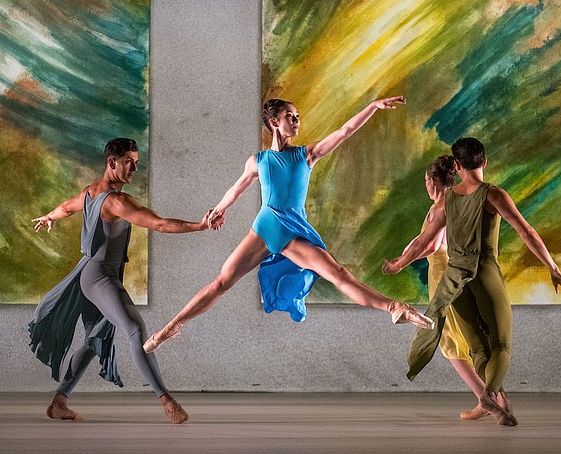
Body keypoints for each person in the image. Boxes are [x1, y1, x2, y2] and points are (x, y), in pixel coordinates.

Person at [143, 97, 434, 353]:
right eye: (290, 116)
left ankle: (395, 308)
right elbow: (236, 188)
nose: (296, 121)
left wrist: (372, 106)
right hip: (265, 226)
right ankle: (172, 326)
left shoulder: (306, 154)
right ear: (274, 122)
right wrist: (218, 210)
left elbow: (344, 132)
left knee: (338, 274)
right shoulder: (258, 160)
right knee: (220, 283)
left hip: (291, 230)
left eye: (297, 117)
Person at [382, 137, 561, 426]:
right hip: (484, 272)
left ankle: (498, 402)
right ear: (484, 161)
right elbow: (527, 232)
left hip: (454, 281)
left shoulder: (446, 200)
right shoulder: (493, 195)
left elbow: (424, 241)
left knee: (478, 350)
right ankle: (489, 394)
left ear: (457, 165)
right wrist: (553, 268)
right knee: (501, 345)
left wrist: (398, 264)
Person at [28, 138, 221, 424]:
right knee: (135, 329)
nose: (134, 168)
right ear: (112, 162)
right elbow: (159, 224)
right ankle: (166, 401)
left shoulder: (90, 192)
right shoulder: (117, 202)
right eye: (129, 162)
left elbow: (66, 207)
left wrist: (49, 216)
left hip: (90, 274)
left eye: (136, 162)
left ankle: (59, 402)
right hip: (99, 277)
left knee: (94, 341)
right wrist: (200, 225)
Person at [389, 155, 489, 421]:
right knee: (464, 339)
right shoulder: (451, 204)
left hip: (444, 277)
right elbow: (425, 238)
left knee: (450, 342)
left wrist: (401, 262)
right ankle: (492, 398)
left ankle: (488, 398)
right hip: (452, 276)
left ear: (432, 181)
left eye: (425, 180)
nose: (425, 184)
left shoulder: (440, 208)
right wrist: (408, 251)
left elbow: (432, 245)